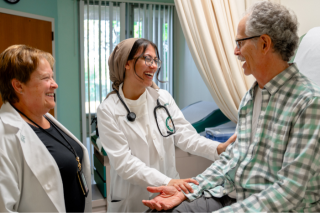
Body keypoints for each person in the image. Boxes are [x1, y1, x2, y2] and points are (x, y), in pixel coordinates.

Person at [142, 1, 320, 212]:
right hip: (231, 194)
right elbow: (231, 159)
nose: (236, 52)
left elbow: (289, 191)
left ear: (264, 44)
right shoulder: (250, 98)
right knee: (158, 210)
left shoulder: (309, 103)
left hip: (270, 206)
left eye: (240, 43)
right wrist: (187, 190)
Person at [96, 38, 236, 212]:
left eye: (156, 60)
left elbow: (186, 136)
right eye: (147, 59)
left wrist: (218, 148)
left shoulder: (162, 99)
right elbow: (125, 163)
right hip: (131, 201)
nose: (153, 66)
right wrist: (166, 181)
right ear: (127, 63)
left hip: (169, 194)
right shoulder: (108, 110)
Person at [0, 45, 92, 212]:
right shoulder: (5, 134)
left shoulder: (45, 119)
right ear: (18, 86)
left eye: (52, 77)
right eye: (45, 78)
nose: (54, 84)